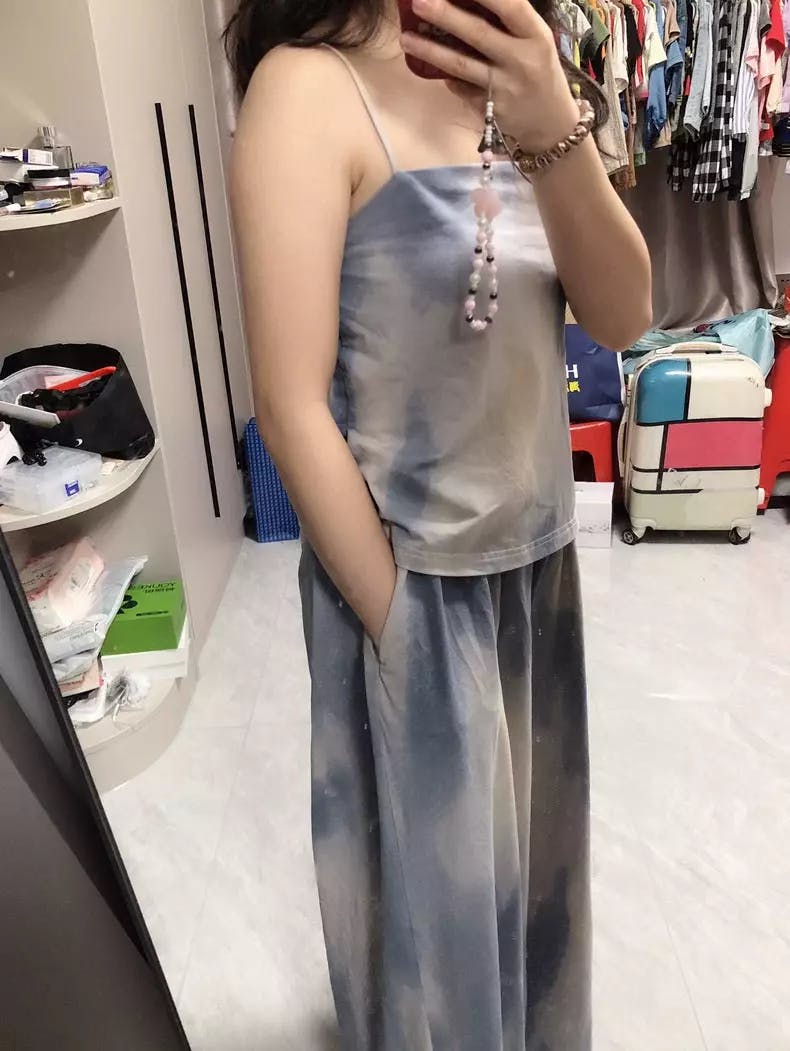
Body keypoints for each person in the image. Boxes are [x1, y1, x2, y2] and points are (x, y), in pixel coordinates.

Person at [227, 1, 651, 1047]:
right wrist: (398, 619)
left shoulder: (529, 76)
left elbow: (623, 315)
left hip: (535, 582)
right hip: (410, 584)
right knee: (436, 933)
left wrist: (552, 120)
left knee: (531, 901)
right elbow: (288, 404)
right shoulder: (306, 87)